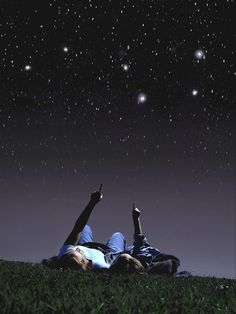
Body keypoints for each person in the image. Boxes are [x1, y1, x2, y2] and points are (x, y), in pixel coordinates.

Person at [42, 185, 132, 271]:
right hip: (108, 255)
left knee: (84, 227)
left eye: (75, 250)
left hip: (87, 246)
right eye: (80, 258)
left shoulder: (65, 254)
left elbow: (78, 227)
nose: (78, 250)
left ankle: (83, 250)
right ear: (88, 265)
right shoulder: (103, 266)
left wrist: (92, 202)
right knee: (118, 235)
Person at [124, 204, 180, 275]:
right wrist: (136, 218)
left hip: (136, 256)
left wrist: (136, 218)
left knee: (118, 235)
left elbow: (140, 239)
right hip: (146, 258)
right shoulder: (143, 256)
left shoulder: (139, 255)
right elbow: (140, 239)